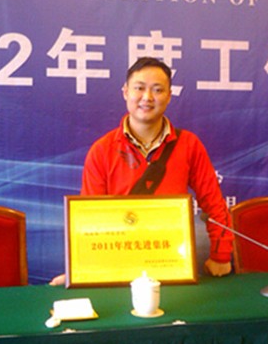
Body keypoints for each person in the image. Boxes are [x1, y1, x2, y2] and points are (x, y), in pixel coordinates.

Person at [50, 57, 233, 286]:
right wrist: (81, 270)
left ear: (169, 96)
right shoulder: (102, 150)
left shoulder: (189, 145)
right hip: (116, 261)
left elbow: (214, 203)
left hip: (171, 261)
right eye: (139, 88)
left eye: (157, 90)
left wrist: (220, 256)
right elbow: (90, 219)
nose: (147, 97)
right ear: (125, 92)